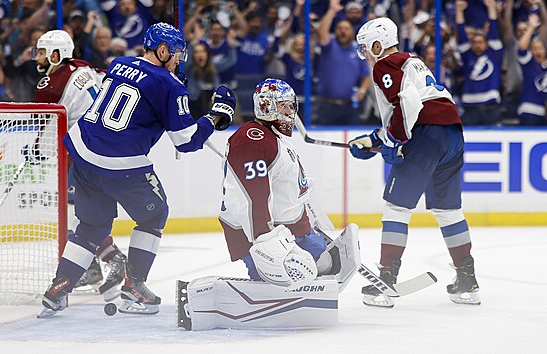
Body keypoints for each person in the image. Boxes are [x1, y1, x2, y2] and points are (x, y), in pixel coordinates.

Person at [38, 22, 236, 317]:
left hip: (82, 152)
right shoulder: (170, 86)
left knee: (91, 227)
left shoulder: (119, 64)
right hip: (120, 162)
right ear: (164, 50)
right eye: (178, 53)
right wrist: (216, 116)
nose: (180, 59)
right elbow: (186, 142)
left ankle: (58, 288)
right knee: (155, 214)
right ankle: (134, 287)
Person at [179, 78, 360, 331]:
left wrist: (309, 214)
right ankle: (229, 299)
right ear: (268, 107)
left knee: (326, 267)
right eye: (285, 107)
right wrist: (266, 242)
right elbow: (252, 197)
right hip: (260, 231)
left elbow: (287, 183)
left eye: (290, 106)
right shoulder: (252, 140)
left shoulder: (272, 135)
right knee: (283, 280)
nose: (291, 113)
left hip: (295, 226)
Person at [350, 17, 480, 308]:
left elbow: (406, 104)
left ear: (377, 44)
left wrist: (393, 141)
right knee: (449, 210)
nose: (366, 55)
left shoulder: (385, 64)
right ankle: (467, 281)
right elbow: (415, 105)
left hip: (426, 133)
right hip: (451, 132)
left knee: (397, 207)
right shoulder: (412, 61)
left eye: (366, 49)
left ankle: (386, 281)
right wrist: (376, 139)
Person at [32, 29, 126, 301]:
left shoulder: (50, 84)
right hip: (105, 147)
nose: (36, 57)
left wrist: (37, 150)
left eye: (40, 52)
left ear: (55, 54)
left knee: (75, 216)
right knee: (80, 214)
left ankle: (113, 259)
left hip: (83, 154)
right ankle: (93, 268)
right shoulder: (82, 67)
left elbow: (51, 125)